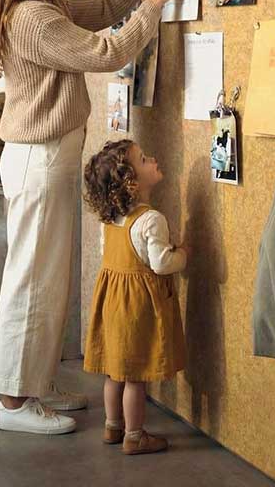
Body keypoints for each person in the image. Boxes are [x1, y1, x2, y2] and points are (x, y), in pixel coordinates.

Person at [0, 0, 185, 435]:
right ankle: (13, 404)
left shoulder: (44, 4)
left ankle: (36, 382)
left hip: (46, 155)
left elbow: (102, 10)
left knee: (47, 278)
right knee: (31, 281)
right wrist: (156, 5)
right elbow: (107, 49)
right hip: (39, 158)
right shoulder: (32, 18)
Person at [83, 140, 189, 455]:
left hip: (112, 302)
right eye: (144, 159)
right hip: (137, 308)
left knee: (115, 371)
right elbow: (161, 263)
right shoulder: (151, 219)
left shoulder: (111, 219)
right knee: (135, 377)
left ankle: (112, 426)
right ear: (131, 179)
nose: (153, 158)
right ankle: (135, 435)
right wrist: (183, 253)